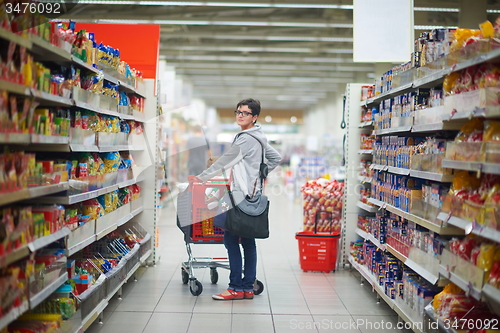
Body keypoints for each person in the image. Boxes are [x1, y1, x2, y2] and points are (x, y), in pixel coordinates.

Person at [191, 98, 281, 300]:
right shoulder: (259, 137)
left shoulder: (246, 138)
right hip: (252, 195)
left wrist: (202, 177)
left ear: (254, 117)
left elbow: (225, 161)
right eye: (238, 112)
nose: (240, 115)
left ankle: (235, 288)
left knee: (230, 239)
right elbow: (275, 158)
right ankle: (248, 287)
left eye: (245, 113)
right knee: (248, 241)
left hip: (238, 195)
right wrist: (259, 174)